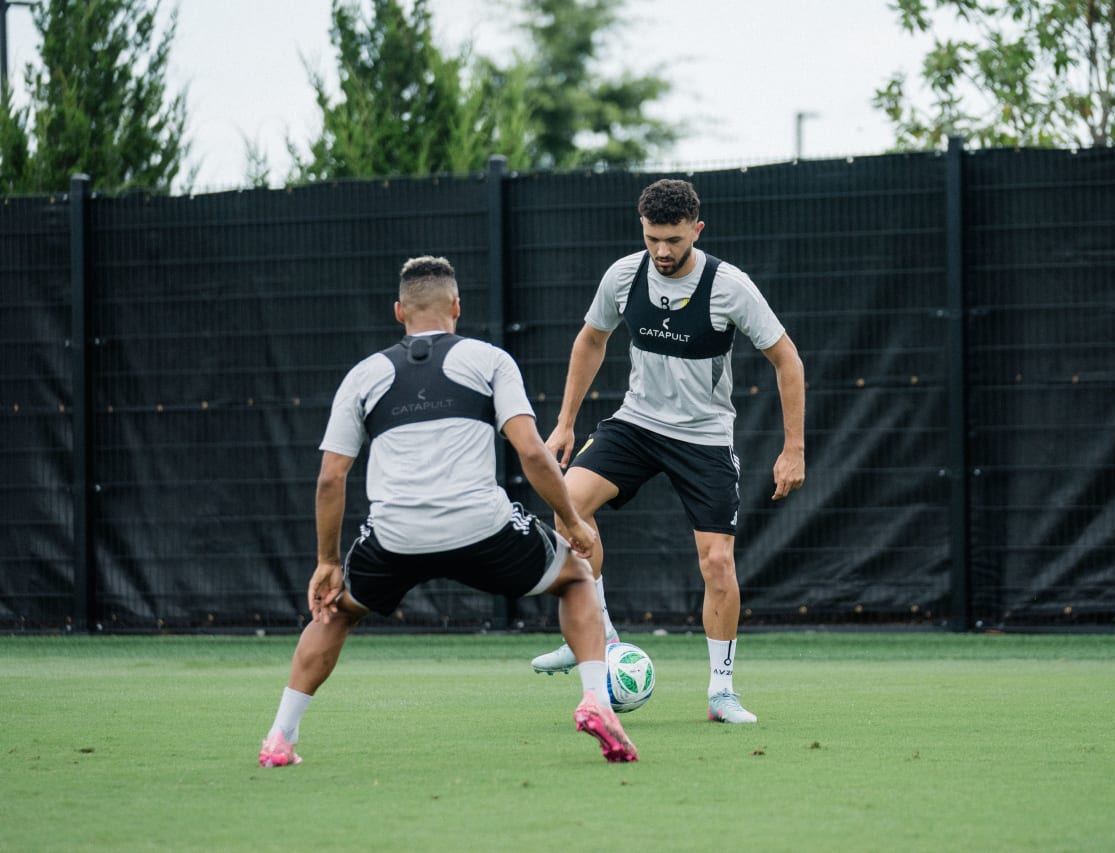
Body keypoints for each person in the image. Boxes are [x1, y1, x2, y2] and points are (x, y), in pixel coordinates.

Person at [258, 256, 637, 766]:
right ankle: (596, 702)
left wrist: (327, 563)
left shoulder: (364, 375)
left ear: (399, 312)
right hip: (483, 527)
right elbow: (531, 452)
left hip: (395, 537)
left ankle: (280, 739)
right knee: (575, 578)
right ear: (457, 306)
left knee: (334, 611)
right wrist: (571, 523)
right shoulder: (490, 360)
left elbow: (330, 478)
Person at [531, 179, 806, 724]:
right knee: (567, 508)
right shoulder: (623, 275)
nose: (662, 251)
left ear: (696, 231)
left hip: (703, 438)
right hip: (635, 425)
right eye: (653, 237)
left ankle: (721, 693)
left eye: (674, 240)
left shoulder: (730, 287)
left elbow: (788, 360)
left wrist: (793, 447)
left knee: (718, 562)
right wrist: (564, 424)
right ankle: (599, 635)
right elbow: (591, 340)